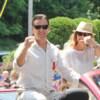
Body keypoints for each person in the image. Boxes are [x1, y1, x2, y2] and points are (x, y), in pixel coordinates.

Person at [13, 14, 80, 100]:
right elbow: (17, 67)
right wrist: (25, 48)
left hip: (50, 93)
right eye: (37, 27)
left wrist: (82, 80)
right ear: (33, 29)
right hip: (27, 92)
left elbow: (65, 70)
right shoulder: (24, 46)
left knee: (75, 96)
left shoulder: (54, 50)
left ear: (49, 29)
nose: (41, 29)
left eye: (44, 26)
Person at [62, 21, 100, 86]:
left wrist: (94, 44)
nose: (82, 36)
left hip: (90, 87)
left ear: (90, 37)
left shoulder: (91, 49)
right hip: (76, 88)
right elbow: (65, 72)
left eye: (85, 34)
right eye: (79, 33)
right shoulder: (68, 52)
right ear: (76, 35)